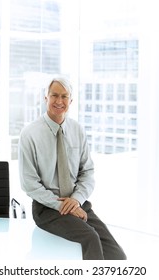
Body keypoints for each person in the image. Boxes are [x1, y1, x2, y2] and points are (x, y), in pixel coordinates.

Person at [18, 76, 126, 260]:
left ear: (71, 101)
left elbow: (87, 172)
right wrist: (61, 204)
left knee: (117, 256)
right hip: (47, 208)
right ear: (46, 98)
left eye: (64, 96)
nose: (59, 101)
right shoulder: (30, 134)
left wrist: (76, 200)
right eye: (54, 96)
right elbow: (29, 183)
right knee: (90, 238)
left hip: (78, 203)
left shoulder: (78, 130)